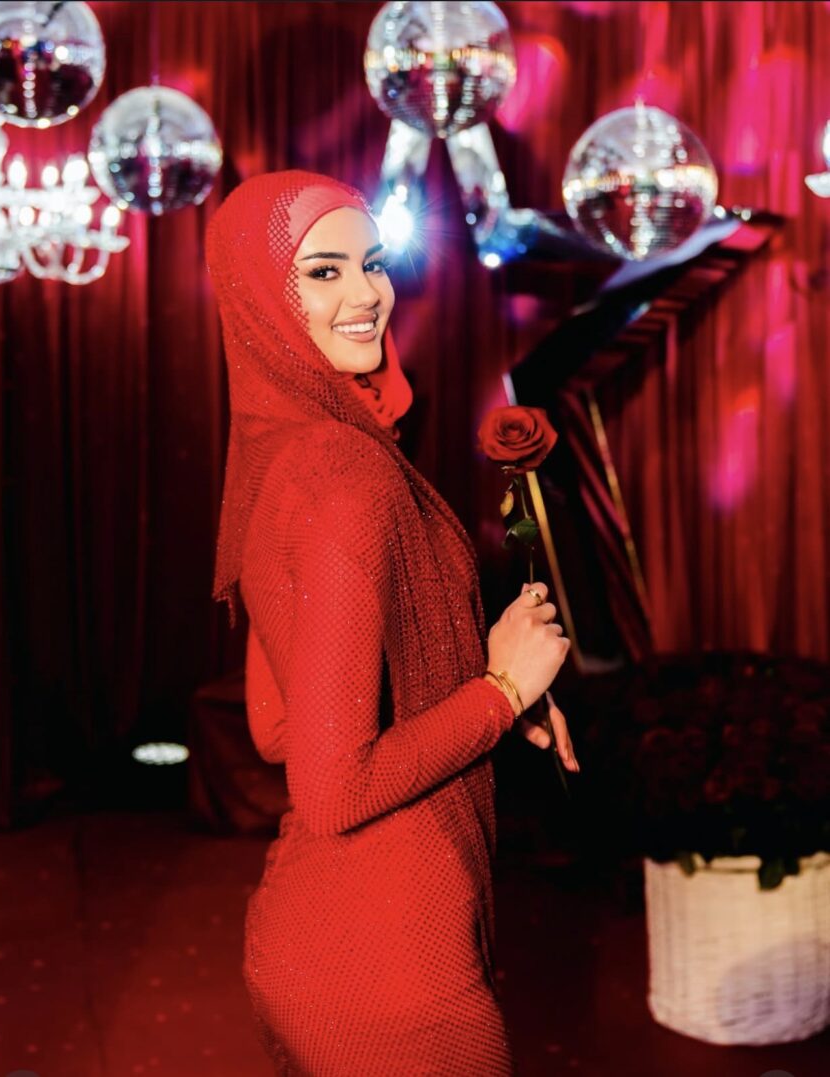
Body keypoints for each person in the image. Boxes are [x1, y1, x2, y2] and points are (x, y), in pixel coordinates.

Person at [205, 170, 578, 1077]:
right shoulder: (346, 472)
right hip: (392, 966)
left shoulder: (278, 455)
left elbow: (276, 725)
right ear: (260, 302)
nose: (368, 293)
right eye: (322, 272)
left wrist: (467, 687)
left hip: (311, 942)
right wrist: (498, 691)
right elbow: (335, 789)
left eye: (373, 263)